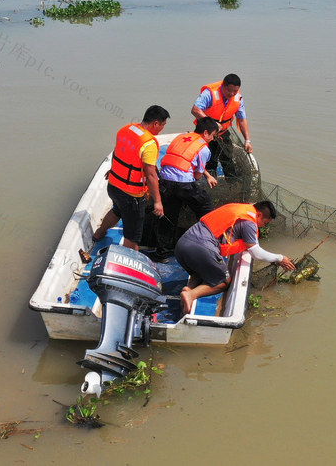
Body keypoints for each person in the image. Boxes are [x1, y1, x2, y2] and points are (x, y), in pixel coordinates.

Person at [174, 200, 295, 316]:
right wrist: (279, 258)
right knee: (223, 282)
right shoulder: (249, 222)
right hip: (202, 249)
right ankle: (191, 295)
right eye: (265, 223)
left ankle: (188, 288)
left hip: (181, 246)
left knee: (200, 272)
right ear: (259, 214)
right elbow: (256, 253)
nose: (262, 226)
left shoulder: (237, 208)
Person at [148, 117, 220, 261]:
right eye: (213, 136)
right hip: (184, 186)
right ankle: (207, 245)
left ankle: (162, 253)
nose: (212, 139)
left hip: (165, 182)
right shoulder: (204, 148)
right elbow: (198, 176)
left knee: (168, 218)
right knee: (207, 210)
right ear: (206, 133)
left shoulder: (181, 137)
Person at [104, 105, 169, 250]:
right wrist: (157, 202)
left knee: (117, 210)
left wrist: (112, 170)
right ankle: (129, 262)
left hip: (113, 185)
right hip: (131, 195)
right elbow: (151, 174)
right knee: (132, 236)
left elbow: (118, 152)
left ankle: (98, 235)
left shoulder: (126, 129)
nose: (162, 129)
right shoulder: (149, 144)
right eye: (163, 125)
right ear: (156, 123)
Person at [191, 74, 252, 175]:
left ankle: (232, 184)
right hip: (205, 132)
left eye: (235, 91)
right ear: (223, 85)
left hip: (222, 131)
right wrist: (212, 124)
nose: (232, 94)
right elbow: (195, 110)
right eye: (229, 90)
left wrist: (247, 140)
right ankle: (207, 181)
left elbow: (241, 119)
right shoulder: (210, 93)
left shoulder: (238, 98)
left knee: (228, 158)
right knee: (208, 159)